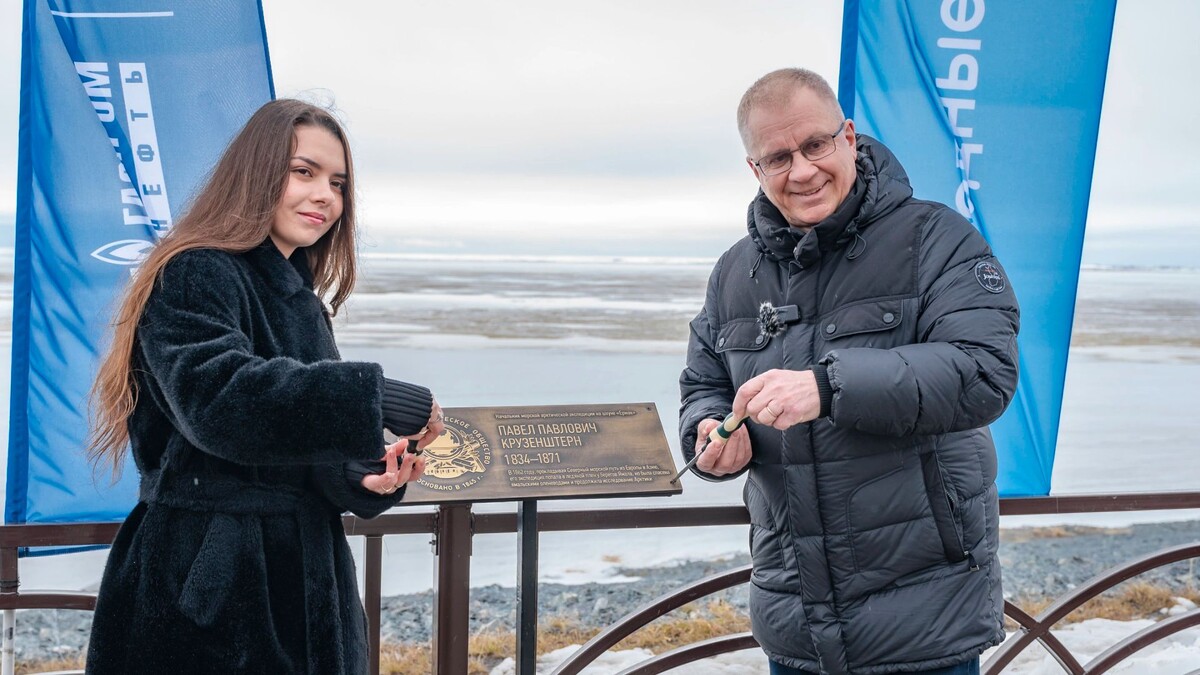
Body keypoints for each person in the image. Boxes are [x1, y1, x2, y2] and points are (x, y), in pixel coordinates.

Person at [84, 99, 444, 674]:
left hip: (308, 585)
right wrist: (373, 397)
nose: (325, 195)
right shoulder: (194, 270)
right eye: (303, 172)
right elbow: (220, 403)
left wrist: (365, 478)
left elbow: (297, 447)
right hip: (209, 585)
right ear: (255, 172)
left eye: (338, 182)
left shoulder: (302, 300)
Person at [679, 68, 1019, 675]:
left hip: (924, 615)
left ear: (849, 137)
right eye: (778, 157)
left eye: (815, 144)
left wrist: (829, 388)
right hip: (795, 615)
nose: (803, 170)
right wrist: (707, 432)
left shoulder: (936, 238)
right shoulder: (735, 272)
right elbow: (705, 384)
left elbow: (982, 371)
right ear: (755, 171)